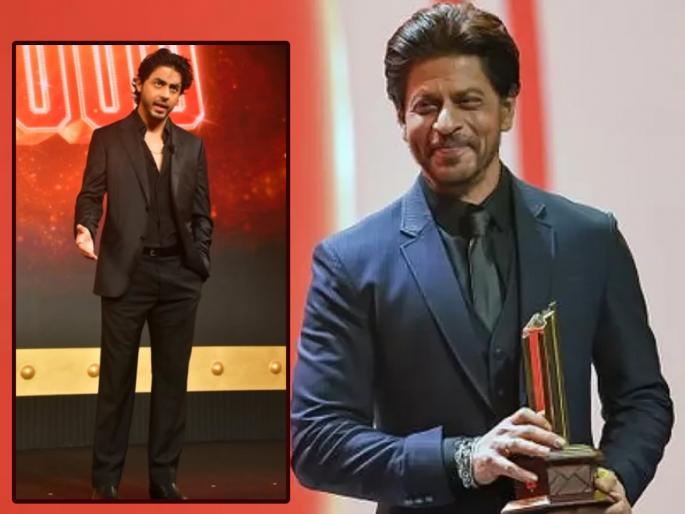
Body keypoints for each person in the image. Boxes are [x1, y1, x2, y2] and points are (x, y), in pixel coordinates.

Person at [291, 3, 673, 513]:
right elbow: (318, 442)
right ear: (401, 119)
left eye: (468, 101)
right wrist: (464, 459)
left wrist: (618, 479)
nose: (446, 123)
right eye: (425, 106)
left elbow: (642, 399)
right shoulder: (351, 262)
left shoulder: (589, 238)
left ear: (507, 108)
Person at [74, 48, 212, 500]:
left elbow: (201, 213)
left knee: (172, 382)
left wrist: (200, 259)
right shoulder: (108, 139)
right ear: (139, 84)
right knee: (116, 382)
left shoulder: (191, 146)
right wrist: (85, 227)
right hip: (126, 274)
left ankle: (164, 479)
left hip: (179, 276)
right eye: (159, 84)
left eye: (175, 89)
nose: (166, 95)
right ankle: (106, 480)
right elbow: (90, 195)